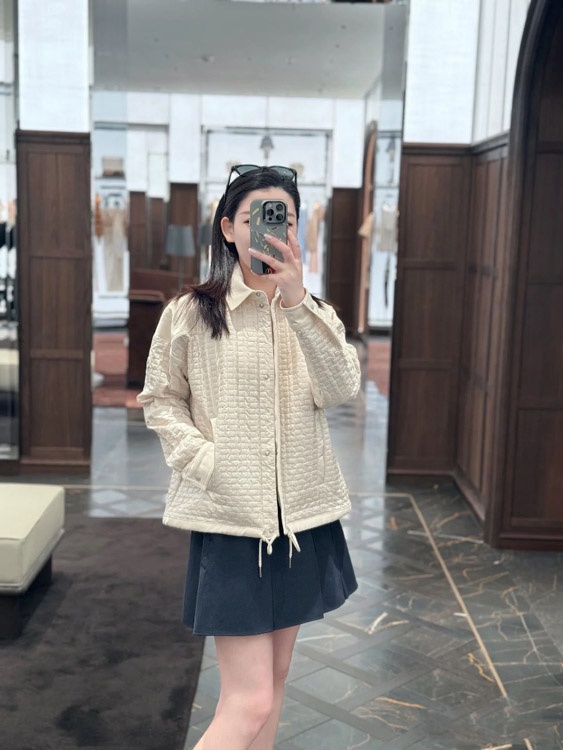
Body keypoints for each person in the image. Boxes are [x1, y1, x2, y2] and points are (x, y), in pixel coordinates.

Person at [138, 164, 361, 750]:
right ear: (229, 229)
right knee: (250, 699)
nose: (272, 230)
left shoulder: (314, 313)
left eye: (284, 219)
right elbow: (160, 398)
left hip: (301, 520)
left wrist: (298, 302)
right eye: (257, 218)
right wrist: (205, 462)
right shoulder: (192, 312)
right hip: (232, 520)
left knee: (275, 682)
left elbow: (341, 388)